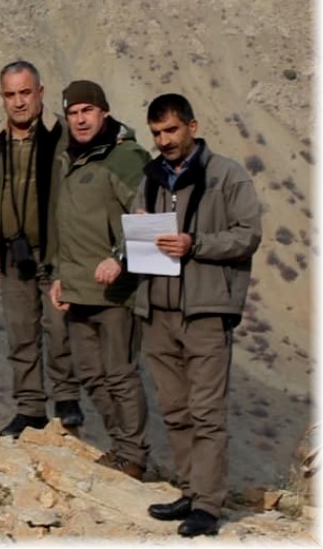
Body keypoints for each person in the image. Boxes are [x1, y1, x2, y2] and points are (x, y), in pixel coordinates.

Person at [134, 94, 261, 537]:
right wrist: (138, 227)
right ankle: (190, 489)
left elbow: (248, 235)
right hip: (158, 309)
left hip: (206, 310)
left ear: (192, 126)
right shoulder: (150, 177)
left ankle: (208, 505)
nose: (164, 140)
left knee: (207, 412)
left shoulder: (226, 175)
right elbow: (135, 231)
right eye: (156, 133)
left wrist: (196, 244)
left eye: (171, 130)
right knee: (175, 409)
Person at [48, 80, 151, 479]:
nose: (80, 120)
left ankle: (134, 454)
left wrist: (119, 258)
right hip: (79, 288)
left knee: (120, 374)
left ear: (104, 112)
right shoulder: (71, 158)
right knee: (91, 373)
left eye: (87, 111)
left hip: (116, 291)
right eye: (73, 113)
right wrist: (60, 276)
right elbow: (68, 225)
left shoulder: (124, 158)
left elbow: (146, 214)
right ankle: (122, 447)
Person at [0, 61, 84, 438]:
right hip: (11, 254)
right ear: (2, 98)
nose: (19, 102)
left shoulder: (63, 136)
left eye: (26, 92)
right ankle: (30, 408)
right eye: (11, 95)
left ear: (41, 93)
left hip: (55, 252)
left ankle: (67, 399)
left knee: (59, 328)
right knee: (20, 333)